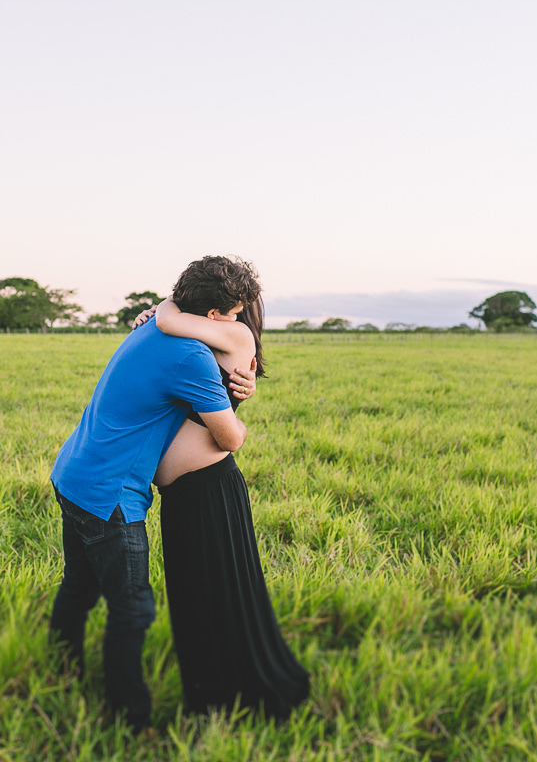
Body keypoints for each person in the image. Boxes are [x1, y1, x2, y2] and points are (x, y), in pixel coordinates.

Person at [47, 256, 260, 733]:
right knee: (134, 608)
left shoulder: (148, 329)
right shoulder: (190, 356)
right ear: (213, 317)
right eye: (233, 315)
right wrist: (236, 407)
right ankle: (131, 719)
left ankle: (62, 672)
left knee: (78, 586)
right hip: (110, 494)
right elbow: (229, 438)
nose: (236, 324)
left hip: (73, 472)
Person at [135, 273, 310, 721]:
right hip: (189, 492)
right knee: (198, 592)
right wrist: (155, 313)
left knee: (217, 592)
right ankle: (210, 689)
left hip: (209, 487)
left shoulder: (233, 333)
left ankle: (233, 693)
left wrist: (163, 305)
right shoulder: (208, 342)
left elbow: (174, 319)